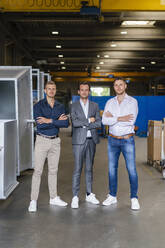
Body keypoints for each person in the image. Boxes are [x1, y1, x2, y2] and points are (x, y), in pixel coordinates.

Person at [28, 80, 69, 212]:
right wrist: (56, 121)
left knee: (53, 170)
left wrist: (50, 120)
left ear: (55, 90)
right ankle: (33, 200)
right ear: (45, 90)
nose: (51, 91)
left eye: (53, 88)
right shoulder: (38, 105)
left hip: (55, 141)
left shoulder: (60, 106)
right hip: (42, 140)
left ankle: (53, 198)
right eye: (49, 88)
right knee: (38, 171)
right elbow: (40, 125)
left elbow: (65, 124)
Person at [102, 77, 140, 210]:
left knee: (131, 169)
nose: (118, 87)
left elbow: (130, 121)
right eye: (116, 85)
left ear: (125, 86)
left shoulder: (132, 101)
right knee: (112, 169)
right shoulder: (109, 102)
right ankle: (112, 196)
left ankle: (134, 198)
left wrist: (112, 117)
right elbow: (104, 121)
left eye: (121, 85)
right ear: (114, 87)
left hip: (127, 139)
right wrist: (119, 118)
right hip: (112, 139)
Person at [70, 82, 101, 208]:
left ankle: (89, 194)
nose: (84, 92)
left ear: (89, 92)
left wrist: (84, 124)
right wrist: (89, 120)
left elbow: (99, 123)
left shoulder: (95, 105)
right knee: (77, 169)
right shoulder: (74, 106)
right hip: (78, 141)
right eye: (82, 90)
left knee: (89, 169)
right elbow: (74, 123)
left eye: (86, 90)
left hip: (91, 140)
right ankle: (75, 196)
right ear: (78, 92)